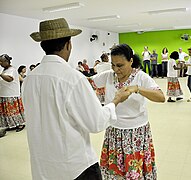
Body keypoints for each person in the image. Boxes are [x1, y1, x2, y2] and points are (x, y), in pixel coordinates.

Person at [22, 18, 131, 180]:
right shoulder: (72, 78)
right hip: (75, 167)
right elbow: (96, 123)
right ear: (68, 45)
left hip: (43, 167)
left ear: (43, 45)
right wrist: (115, 101)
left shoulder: (30, 78)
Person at [91, 44, 165, 179]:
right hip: (114, 131)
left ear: (131, 61)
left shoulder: (141, 77)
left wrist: (136, 89)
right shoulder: (108, 76)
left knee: (134, 171)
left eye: (120, 65)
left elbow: (161, 97)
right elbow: (88, 83)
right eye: (113, 65)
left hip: (135, 133)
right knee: (115, 172)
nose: (115, 69)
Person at [0, 54, 25, 132]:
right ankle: (11, 124)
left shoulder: (12, 69)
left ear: (6, 61)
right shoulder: (5, 70)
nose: (0, 63)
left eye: (1, 61)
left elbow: (9, 79)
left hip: (11, 94)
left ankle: (20, 124)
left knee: (14, 111)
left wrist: (0, 74)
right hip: (5, 94)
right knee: (7, 112)